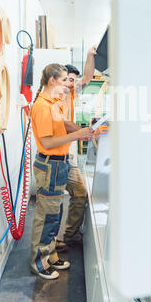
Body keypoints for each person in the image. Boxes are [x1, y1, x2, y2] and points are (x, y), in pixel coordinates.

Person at [30, 63, 92, 279]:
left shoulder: (54, 102)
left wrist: (81, 131)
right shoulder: (43, 106)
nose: (68, 83)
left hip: (60, 163)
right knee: (46, 216)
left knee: (55, 214)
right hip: (50, 164)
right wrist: (78, 135)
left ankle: (51, 254)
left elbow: (63, 126)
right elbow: (47, 142)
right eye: (64, 79)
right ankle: (39, 262)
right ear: (52, 81)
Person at [56, 46, 97, 249]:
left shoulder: (71, 95)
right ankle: (50, 247)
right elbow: (63, 122)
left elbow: (89, 76)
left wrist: (90, 55)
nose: (72, 84)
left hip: (66, 157)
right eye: (69, 80)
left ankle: (69, 235)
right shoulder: (56, 98)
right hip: (53, 159)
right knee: (52, 206)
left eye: (74, 80)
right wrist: (84, 130)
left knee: (80, 193)